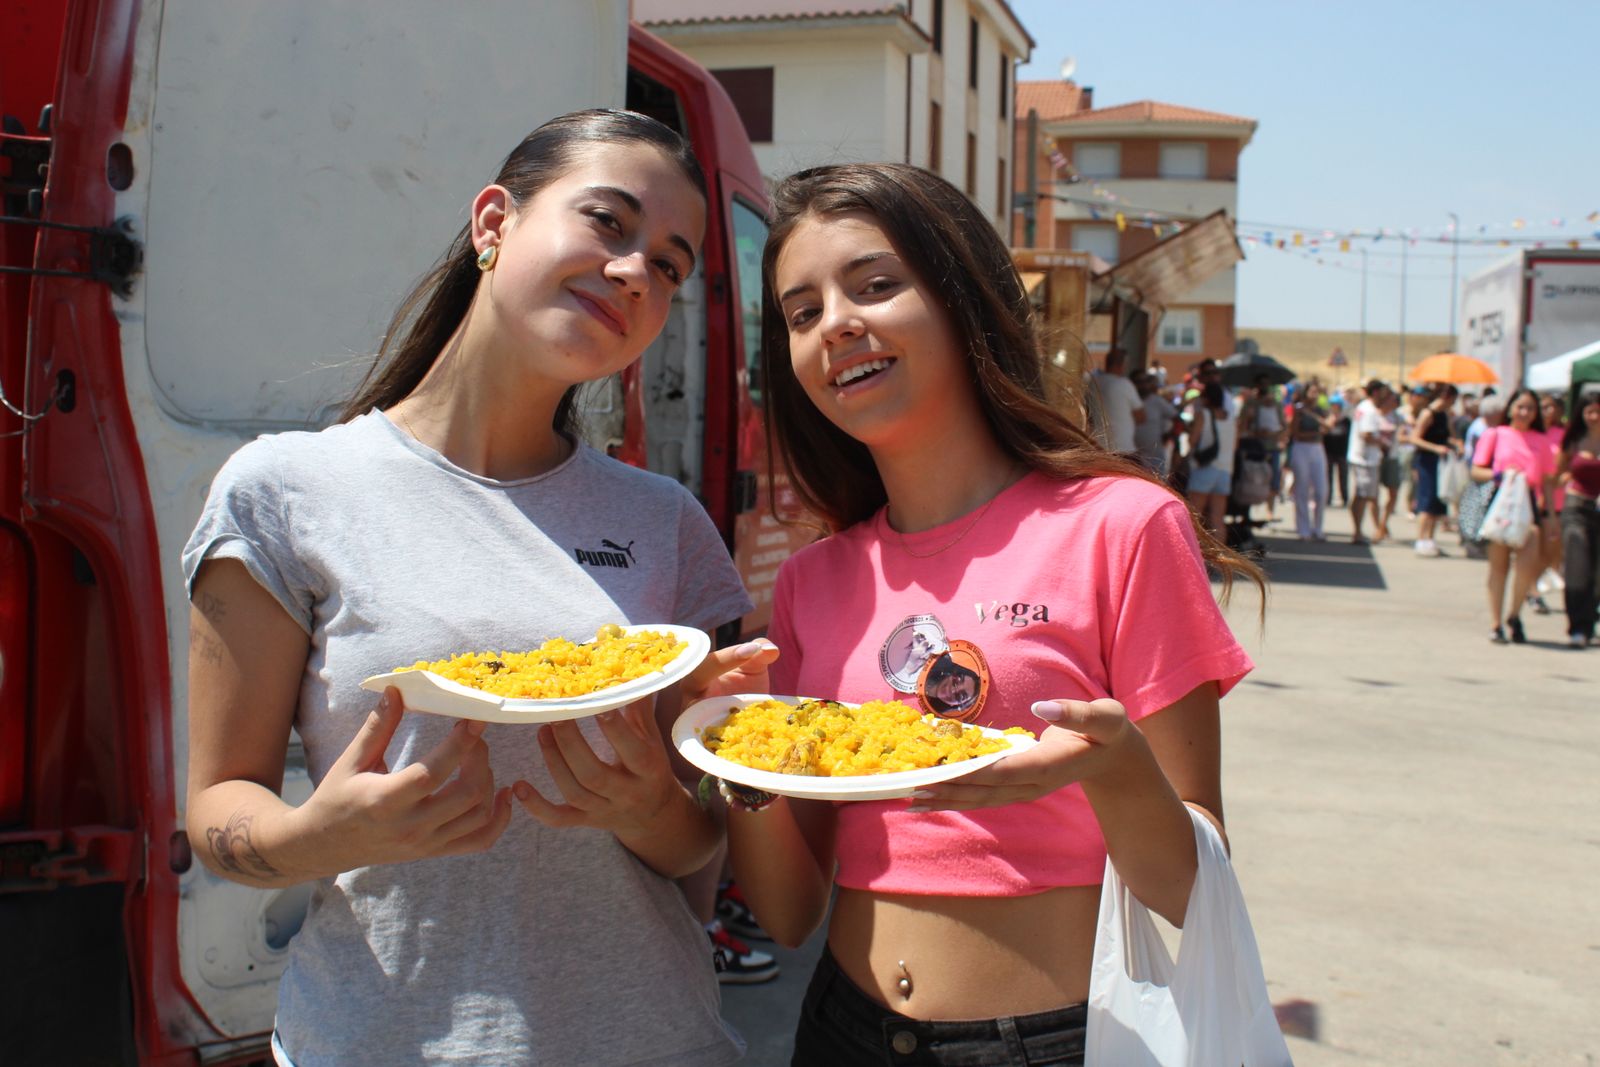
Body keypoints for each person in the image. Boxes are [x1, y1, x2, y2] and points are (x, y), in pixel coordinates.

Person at [182, 110, 771, 1066]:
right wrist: (312, 836)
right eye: (608, 223)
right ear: (493, 224)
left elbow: (695, 861)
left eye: (670, 264)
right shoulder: (284, 490)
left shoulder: (667, 523)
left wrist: (649, 807)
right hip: (378, 1040)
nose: (634, 272)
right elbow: (217, 810)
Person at [728, 162, 1263, 1066]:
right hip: (840, 1031)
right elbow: (786, 913)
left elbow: (1186, 887)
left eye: (874, 285)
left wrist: (1112, 766)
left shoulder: (1122, 526)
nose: (837, 323)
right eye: (802, 311)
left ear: (963, 296)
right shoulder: (812, 581)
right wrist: (730, 749)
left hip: (1046, 1042)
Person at [1471, 388, 1557, 644]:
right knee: (1498, 567)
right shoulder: (1496, 435)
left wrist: (1551, 515)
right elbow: (1476, 470)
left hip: (1528, 504)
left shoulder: (1540, 441)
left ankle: (1515, 613)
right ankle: (1495, 622)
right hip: (1501, 500)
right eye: (1520, 407)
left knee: (1526, 566)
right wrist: (1498, 475)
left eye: (1530, 408)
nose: (1524, 412)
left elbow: (1546, 481)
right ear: (1510, 408)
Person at [1555, 391, 1600, 648]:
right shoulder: (1573, 440)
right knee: (1578, 567)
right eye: (1589, 411)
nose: (1594, 417)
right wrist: (1550, 512)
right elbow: (1556, 475)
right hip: (1576, 508)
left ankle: (1590, 619)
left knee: (1597, 573)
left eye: (1598, 411)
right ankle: (1577, 626)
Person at [1409, 384, 1460, 557]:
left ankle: (1430, 539)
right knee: (1426, 500)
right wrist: (1435, 448)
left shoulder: (1444, 415)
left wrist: (1455, 444)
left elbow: (1449, 436)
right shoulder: (1427, 414)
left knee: (1437, 503)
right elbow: (1415, 438)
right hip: (1427, 461)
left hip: (1441, 462)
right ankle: (1420, 539)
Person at [1288, 380, 1336, 540]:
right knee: (1302, 488)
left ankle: (1318, 527)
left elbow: (1329, 426)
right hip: (1301, 448)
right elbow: (1295, 433)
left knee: (1321, 490)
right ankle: (1303, 528)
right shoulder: (1298, 410)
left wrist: (1315, 418)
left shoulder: (1321, 410)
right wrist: (1315, 433)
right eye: (1312, 392)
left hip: (1317, 449)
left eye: (1317, 392)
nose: (1315, 395)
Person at [1239, 374, 1287, 522]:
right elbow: (1242, 425)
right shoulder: (1250, 404)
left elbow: (1284, 425)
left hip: (1271, 446)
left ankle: (1269, 511)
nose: (1263, 387)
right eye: (1261, 383)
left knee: (1273, 480)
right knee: (1249, 479)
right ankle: (1246, 513)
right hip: (1254, 446)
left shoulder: (1276, 404)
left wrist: (1276, 435)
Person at [1347, 379, 1389, 544]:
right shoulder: (1369, 409)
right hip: (1364, 459)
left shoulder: (1365, 407)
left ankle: (1359, 531)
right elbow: (1366, 434)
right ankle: (1357, 532)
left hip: (1364, 458)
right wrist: (1383, 442)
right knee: (1362, 497)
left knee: (1362, 496)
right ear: (1377, 392)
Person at [1084, 347, 1146, 453]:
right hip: (1122, 448)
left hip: (1097, 446)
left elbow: (1087, 412)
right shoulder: (1124, 384)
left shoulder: (1092, 383)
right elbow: (1141, 416)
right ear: (1122, 365)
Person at [1130, 368, 1177, 475]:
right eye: (1139, 382)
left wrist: (1169, 435)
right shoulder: (1128, 401)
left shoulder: (1157, 401)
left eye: (1146, 381)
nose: (1143, 385)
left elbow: (1177, 418)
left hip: (1155, 458)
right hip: (1133, 457)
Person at [1323, 390, 1352, 507]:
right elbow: (1323, 432)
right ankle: (1328, 498)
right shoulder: (1326, 419)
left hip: (1342, 452)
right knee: (1328, 476)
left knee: (1343, 476)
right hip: (1329, 452)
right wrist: (1329, 423)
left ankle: (1345, 498)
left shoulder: (1346, 421)